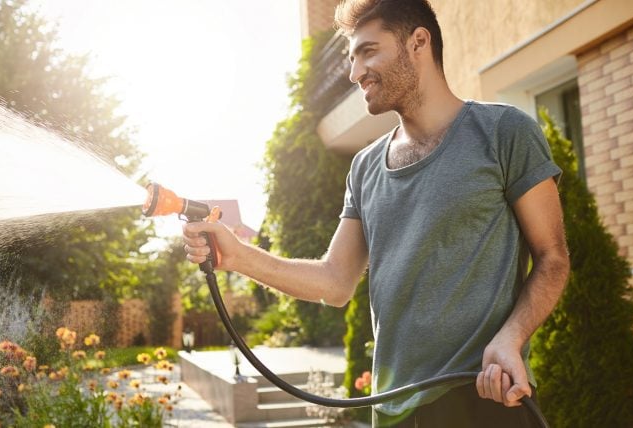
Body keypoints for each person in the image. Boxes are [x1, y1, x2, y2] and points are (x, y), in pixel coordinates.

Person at [183, 0, 569, 426]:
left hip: (482, 395)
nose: (355, 72)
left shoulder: (503, 133)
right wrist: (237, 256)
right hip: (391, 408)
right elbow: (335, 282)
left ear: (418, 42)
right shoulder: (365, 167)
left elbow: (552, 257)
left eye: (368, 51)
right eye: (352, 58)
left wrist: (511, 337)